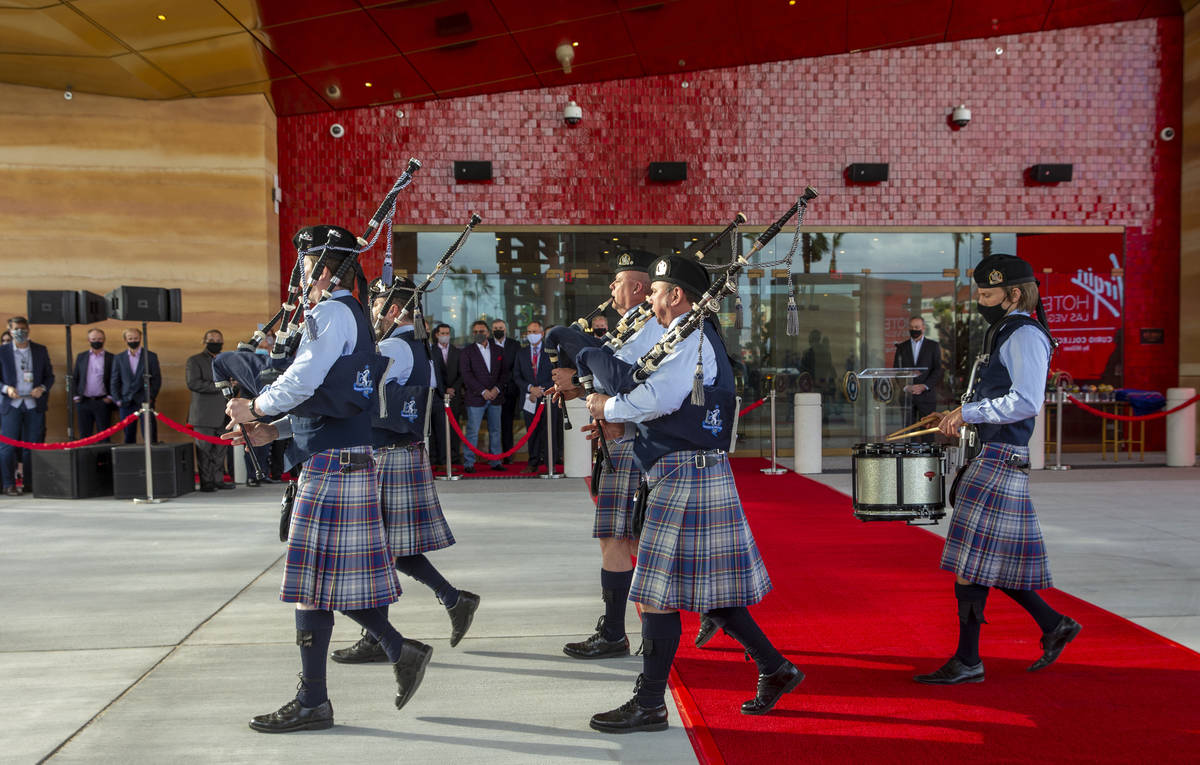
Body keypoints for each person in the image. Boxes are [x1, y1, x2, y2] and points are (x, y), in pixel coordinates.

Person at [225, 224, 431, 734]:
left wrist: (255, 406)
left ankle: (321, 696)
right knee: (319, 584)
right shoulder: (352, 314)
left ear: (320, 267)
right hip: (340, 455)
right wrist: (273, 429)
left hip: (331, 463)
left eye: (305, 265)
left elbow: (302, 380)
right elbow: (331, 394)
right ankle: (387, 655)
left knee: (311, 586)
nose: (300, 276)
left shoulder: (329, 312)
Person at [582, 255, 801, 733]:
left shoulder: (689, 337)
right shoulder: (685, 336)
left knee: (658, 595)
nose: (651, 300)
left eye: (656, 291)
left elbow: (656, 400)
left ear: (676, 295)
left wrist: (606, 403)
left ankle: (649, 703)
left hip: (687, 473)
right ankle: (775, 667)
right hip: (686, 471)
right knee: (708, 593)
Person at [916, 253, 1081, 686]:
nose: (981, 301)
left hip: (1000, 458)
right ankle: (1051, 625)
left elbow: (1027, 401)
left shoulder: (1024, 334)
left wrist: (970, 412)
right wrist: (962, 415)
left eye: (988, 294)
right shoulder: (1007, 330)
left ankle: (971, 660)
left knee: (973, 564)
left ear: (1013, 293)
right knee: (981, 563)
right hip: (992, 456)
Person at [330, 277, 480, 665]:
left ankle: (380, 636)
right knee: (391, 550)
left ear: (393, 310)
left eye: (378, 305)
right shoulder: (417, 346)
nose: (373, 312)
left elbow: (360, 394)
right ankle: (451, 599)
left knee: (377, 552)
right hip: (400, 453)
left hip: (388, 454)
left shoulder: (395, 345)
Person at [549, 249, 664, 660]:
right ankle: (615, 628)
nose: (611, 289)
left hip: (631, 443)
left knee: (619, 538)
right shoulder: (632, 326)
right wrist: (584, 392)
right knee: (619, 538)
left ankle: (616, 632)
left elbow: (632, 387)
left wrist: (584, 390)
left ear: (637, 287)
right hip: (619, 441)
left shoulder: (649, 328)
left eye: (616, 282)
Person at [0, 317, 54, 495]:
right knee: (7, 447)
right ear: (9, 330)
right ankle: (8, 484)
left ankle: (31, 483)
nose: (20, 332)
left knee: (32, 446)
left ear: (28, 330)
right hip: (12, 404)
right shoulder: (2, 351)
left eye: (23, 329)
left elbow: (49, 376)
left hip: (33, 404)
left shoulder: (40, 350)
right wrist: (6, 388)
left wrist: (42, 388)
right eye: (16, 329)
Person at [459, 320, 509, 473]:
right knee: (473, 431)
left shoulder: (499, 350)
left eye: (481, 331)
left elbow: (504, 373)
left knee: (495, 430)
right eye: (475, 332)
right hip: (476, 397)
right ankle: (469, 462)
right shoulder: (467, 351)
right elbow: (466, 375)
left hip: (496, 397)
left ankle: (495, 461)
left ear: (488, 333)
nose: (478, 334)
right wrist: (483, 391)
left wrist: (496, 389)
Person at [186, 330, 233, 492]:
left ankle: (218, 480)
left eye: (218, 340)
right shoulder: (194, 360)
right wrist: (221, 386)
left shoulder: (226, 360)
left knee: (220, 451)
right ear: (204, 341)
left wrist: (234, 385)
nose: (215, 342)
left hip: (224, 413)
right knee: (204, 450)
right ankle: (207, 483)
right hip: (203, 414)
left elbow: (234, 383)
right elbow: (193, 383)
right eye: (211, 339)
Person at [512, 320, 562, 472]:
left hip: (547, 397)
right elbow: (516, 375)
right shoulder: (521, 353)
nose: (531, 335)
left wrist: (542, 389)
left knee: (549, 431)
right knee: (531, 431)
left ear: (541, 334)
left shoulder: (551, 351)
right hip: (530, 398)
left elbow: (556, 373)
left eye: (534, 332)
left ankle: (550, 463)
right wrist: (530, 388)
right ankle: (533, 462)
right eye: (529, 332)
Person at [893, 315, 942, 436]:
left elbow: (938, 370)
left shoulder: (933, 346)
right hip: (907, 397)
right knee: (908, 433)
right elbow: (897, 370)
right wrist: (906, 387)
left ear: (923, 328)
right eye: (911, 327)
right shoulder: (901, 347)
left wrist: (924, 386)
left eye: (917, 327)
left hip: (926, 397)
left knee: (927, 432)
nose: (914, 329)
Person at [110, 327, 161, 444]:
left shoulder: (150, 356)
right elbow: (114, 380)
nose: (133, 341)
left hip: (145, 401)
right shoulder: (119, 358)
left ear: (141, 338)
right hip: (125, 402)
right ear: (125, 340)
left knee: (149, 435)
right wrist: (117, 400)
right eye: (130, 338)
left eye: (136, 338)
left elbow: (156, 379)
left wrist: (151, 397)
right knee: (128, 436)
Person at [429, 323, 462, 467]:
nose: (445, 336)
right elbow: (435, 374)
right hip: (437, 396)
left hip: (454, 396)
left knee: (454, 429)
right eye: (442, 333)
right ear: (436, 335)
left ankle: (452, 457)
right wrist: (443, 391)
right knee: (438, 430)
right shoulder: (431, 351)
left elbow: (462, 373)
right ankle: (437, 459)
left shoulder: (457, 351)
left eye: (447, 333)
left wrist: (453, 388)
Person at [72, 327, 115, 439]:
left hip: (103, 402)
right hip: (83, 401)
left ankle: (104, 457)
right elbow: (75, 377)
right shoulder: (81, 357)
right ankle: (86, 457)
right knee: (84, 436)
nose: (97, 341)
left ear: (104, 340)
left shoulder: (112, 358)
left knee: (104, 436)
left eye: (100, 339)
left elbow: (115, 380)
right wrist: (76, 397)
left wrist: (110, 397)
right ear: (89, 340)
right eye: (94, 338)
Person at [491, 319, 518, 464]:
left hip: (509, 392)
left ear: (505, 329)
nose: (498, 330)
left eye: (500, 327)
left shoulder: (514, 345)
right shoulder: (487, 344)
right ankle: (494, 456)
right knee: (494, 426)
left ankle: (508, 455)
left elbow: (516, 367)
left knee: (507, 425)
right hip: (491, 392)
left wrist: (503, 384)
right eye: (495, 328)